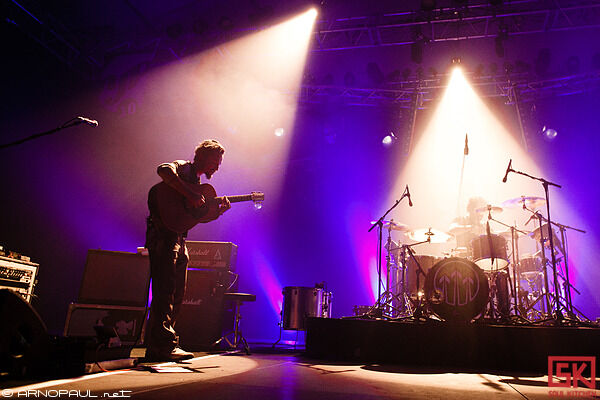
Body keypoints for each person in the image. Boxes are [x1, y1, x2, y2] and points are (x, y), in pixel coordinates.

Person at [144, 139, 231, 361]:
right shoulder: (184, 168)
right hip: (164, 237)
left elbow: (191, 218)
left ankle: (166, 343)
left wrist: (216, 213)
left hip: (179, 238)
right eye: (214, 160)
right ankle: (160, 346)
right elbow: (163, 169)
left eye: (219, 163)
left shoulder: (196, 182)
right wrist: (190, 194)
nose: (217, 167)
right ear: (200, 156)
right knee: (165, 291)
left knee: (176, 292)